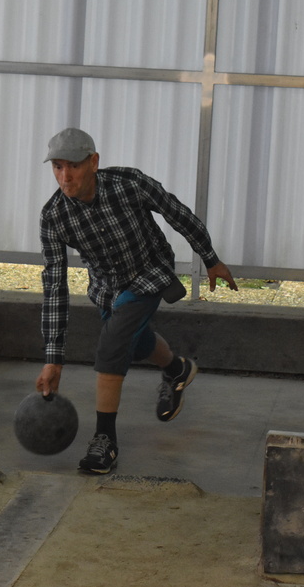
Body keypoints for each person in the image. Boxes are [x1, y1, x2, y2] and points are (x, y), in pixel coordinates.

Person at [35, 127, 237, 474]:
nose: (65, 177)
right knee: (137, 342)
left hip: (150, 272)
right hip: (107, 288)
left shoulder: (129, 184)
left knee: (112, 344)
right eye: (57, 167)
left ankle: (105, 440)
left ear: (93, 162)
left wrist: (210, 258)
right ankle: (177, 369)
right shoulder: (54, 216)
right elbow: (54, 283)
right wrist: (53, 358)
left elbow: (176, 213)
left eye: (74, 166)